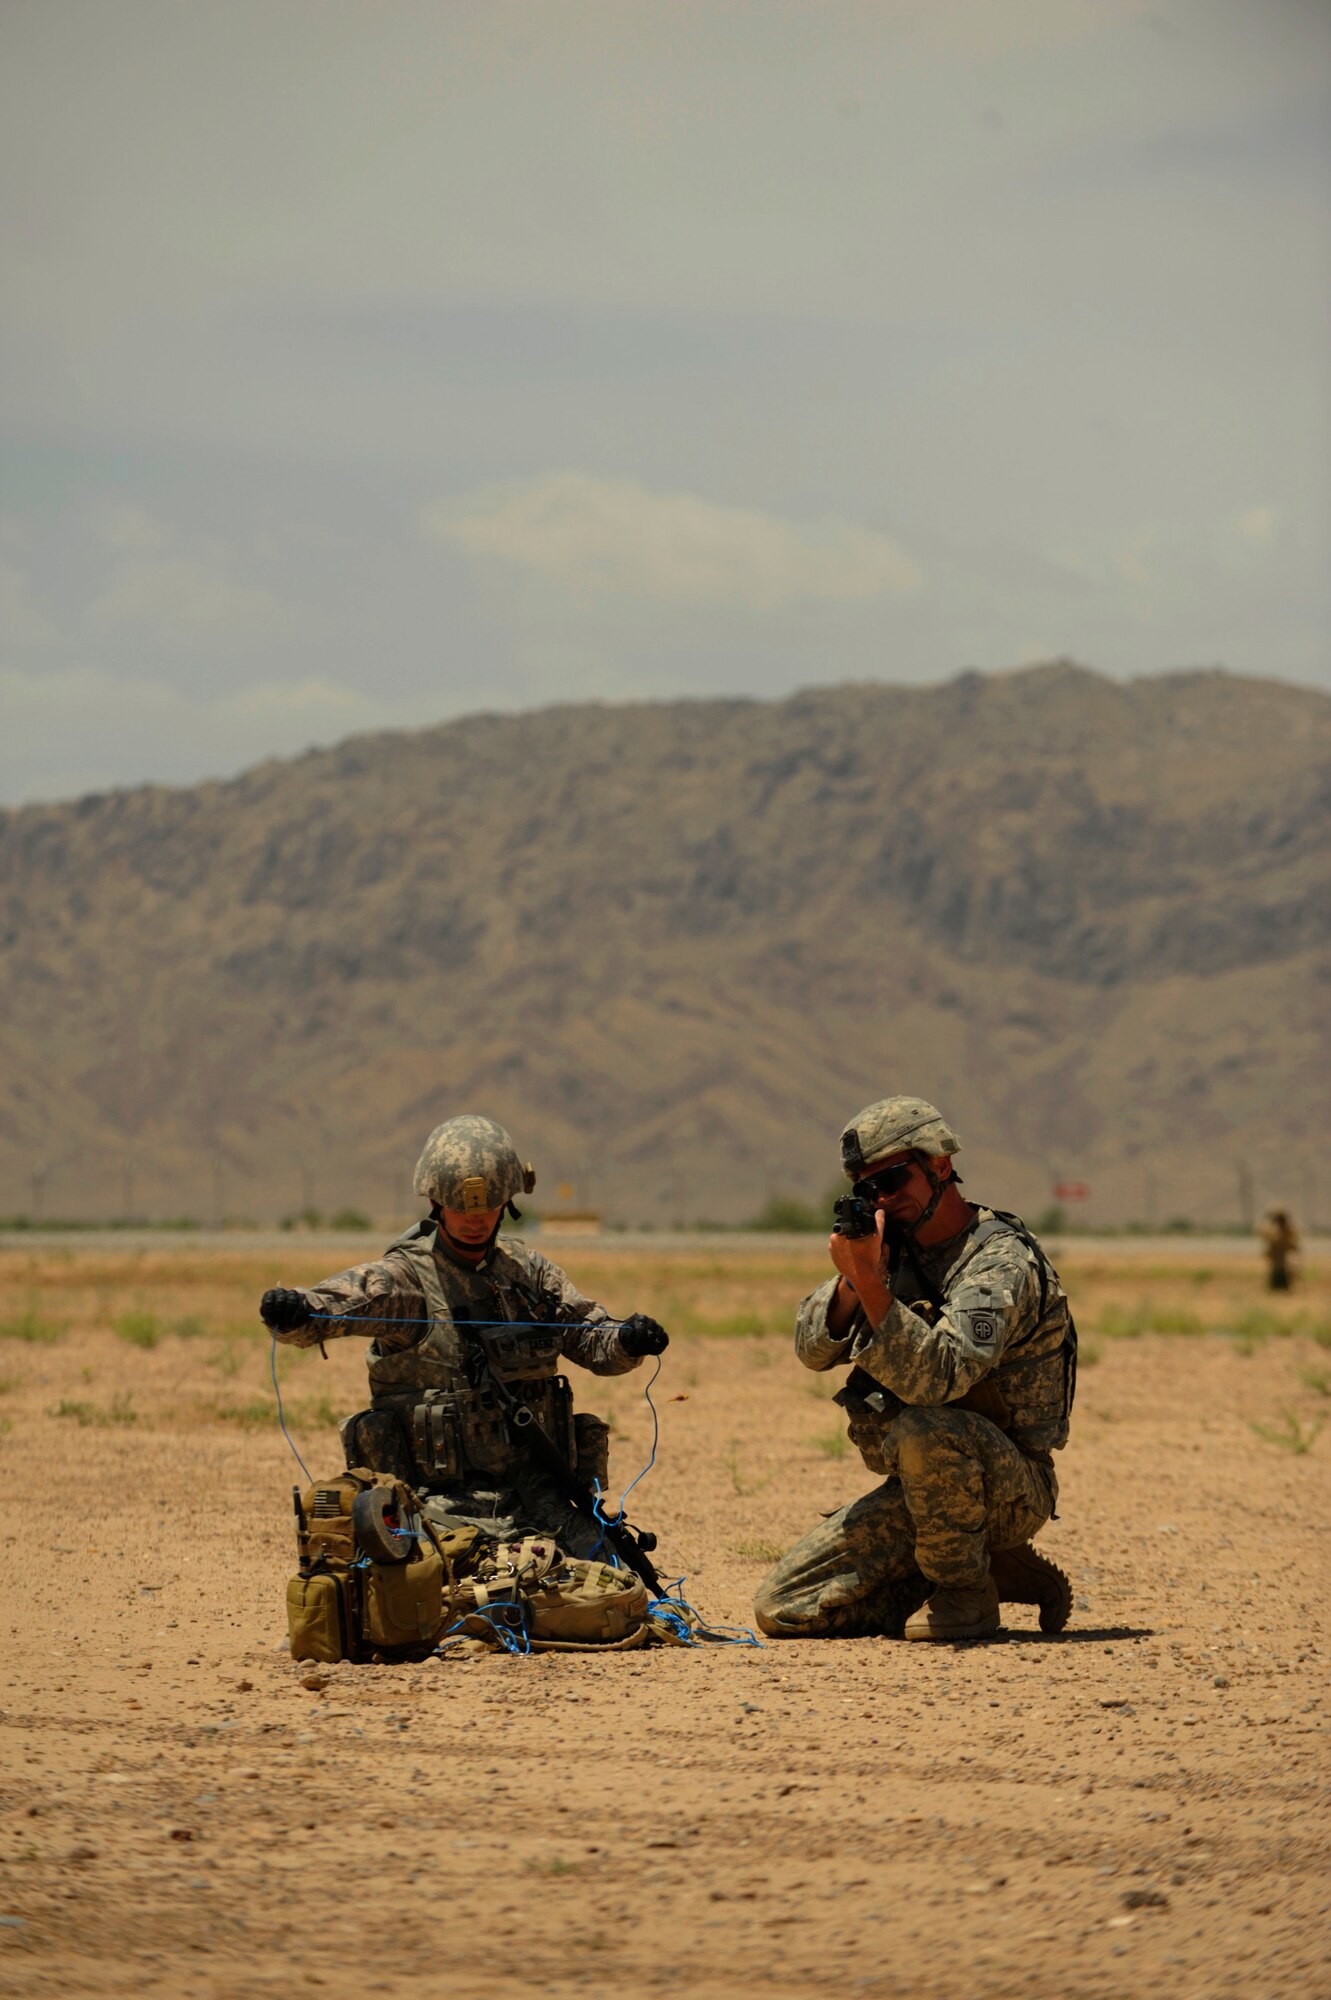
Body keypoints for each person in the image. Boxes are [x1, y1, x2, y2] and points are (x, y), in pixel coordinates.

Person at [259, 1115, 668, 1558]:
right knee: (468, 1598)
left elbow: (592, 1340)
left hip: (540, 1499)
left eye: (486, 1207)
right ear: (436, 1203)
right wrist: (294, 1310)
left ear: (507, 1202)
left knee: (610, 1589)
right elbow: (330, 1308)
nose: (474, 1220)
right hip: (437, 1508)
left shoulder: (530, 1274)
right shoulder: (406, 1280)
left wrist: (628, 1340)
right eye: (461, 1208)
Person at [755, 1096, 1076, 1644]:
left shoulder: (1000, 1261)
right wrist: (855, 1280)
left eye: (894, 1180)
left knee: (923, 1427)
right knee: (783, 1610)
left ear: (940, 1167)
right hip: (924, 1492)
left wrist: (874, 1286)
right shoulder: (889, 1254)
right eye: (867, 1191)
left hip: (1009, 1488)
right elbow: (811, 1349)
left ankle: (967, 1594)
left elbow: (940, 1378)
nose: (882, 1199)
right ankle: (985, 1567)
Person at [1260, 1209, 1299, 1292]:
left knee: (1285, 1272)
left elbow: (1293, 1244)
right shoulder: (1273, 1230)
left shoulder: (1288, 1230)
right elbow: (1263, 1234)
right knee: (1276, 1272)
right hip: (1276, 1259)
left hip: (1284, 1260)